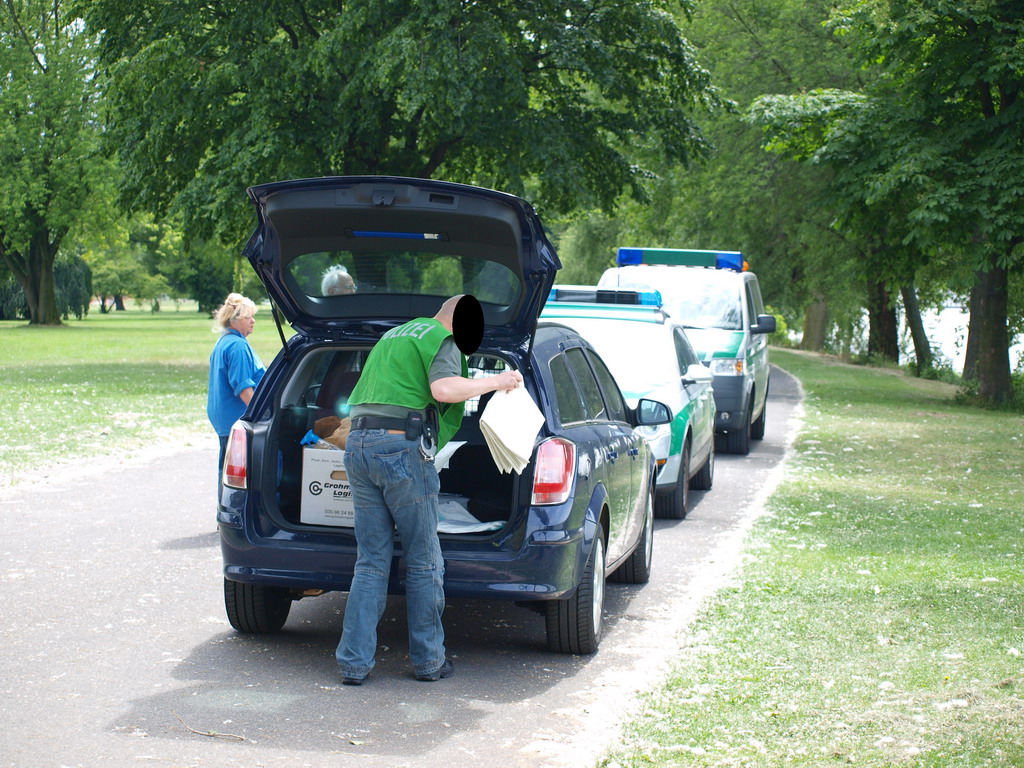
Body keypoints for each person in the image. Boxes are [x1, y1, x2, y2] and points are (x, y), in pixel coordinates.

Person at [337, 294, 522, 685]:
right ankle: (429, 662)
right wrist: (498, 381)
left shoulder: (395, 336)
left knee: (371, 561)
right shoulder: (442, 338)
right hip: (400, 448)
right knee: (424, 560)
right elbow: (443, 390)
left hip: (358, 445)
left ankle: (353, 664)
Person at [207, 293, 266, 476]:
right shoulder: (238, 346)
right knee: (237, 475)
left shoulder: (224, 341)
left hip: (225, 419)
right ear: (234, 321)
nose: (253, 321)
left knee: (228, 470)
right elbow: (243, 388)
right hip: (237, 418)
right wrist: (263, 415)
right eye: (248, 317)